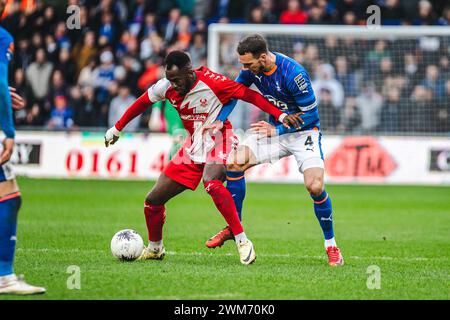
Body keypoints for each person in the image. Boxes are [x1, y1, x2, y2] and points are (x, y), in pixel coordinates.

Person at [104, 51, 301, 265]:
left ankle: (242, 241)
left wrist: (280, 116)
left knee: (211, 182)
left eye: (177, 80)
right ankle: (154, 248)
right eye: (170, 80)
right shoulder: (166, 86)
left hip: (220, 139)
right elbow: (142, 103)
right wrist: (117, 128)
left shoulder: (214, 82)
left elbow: (249, 95)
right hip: (193, 146)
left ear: (189, 72)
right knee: (153, 201)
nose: (174, 85)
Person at [204, 34, 344, 266]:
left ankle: (331, 246)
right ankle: (234, 227)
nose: (244, 68)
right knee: (234, 162)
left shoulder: (294, 74)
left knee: (315, 186)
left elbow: (310, 115)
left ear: (263, 57)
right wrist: (221, 119)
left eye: (247, 64)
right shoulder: (251, 69)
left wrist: (277, 130)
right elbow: (235, 93)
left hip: (302, 133)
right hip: (274, 129)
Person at [0, 0, 46, 294]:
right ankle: (4, 276)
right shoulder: (3, 38)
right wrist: (8, 131)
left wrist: (4, 92)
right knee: (10, 196)